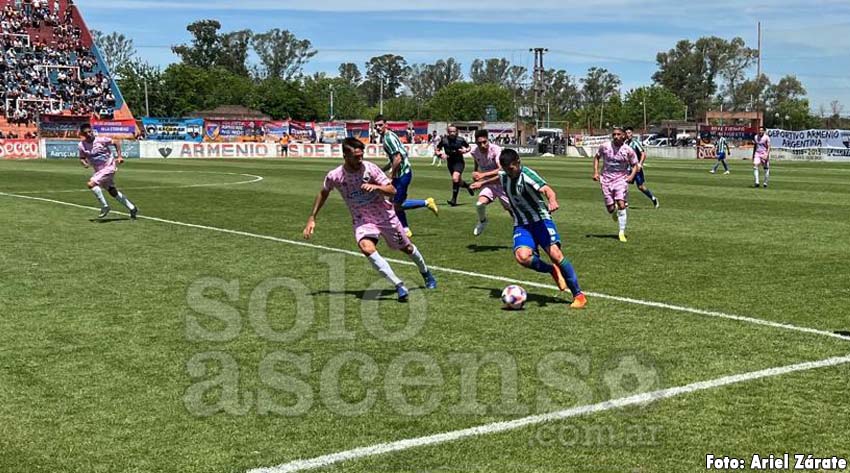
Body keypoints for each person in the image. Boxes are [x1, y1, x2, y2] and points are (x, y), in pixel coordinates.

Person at [303, 138, 437, 301]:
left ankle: (426, 273)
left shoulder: (370, 169)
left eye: (361, 155)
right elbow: (324, 192)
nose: (360, 159)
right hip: (362, 220)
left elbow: (392, 190)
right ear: (345, 155)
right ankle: (399, 285)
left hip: (385, 216)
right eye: (356, 156)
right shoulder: (335, 176)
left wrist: (377, 187)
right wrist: (312, 217)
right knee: (366, 248)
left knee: (407, 249)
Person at [494, 149, 586, 309]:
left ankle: (578, 295)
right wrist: (480, 181)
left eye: (511, 168)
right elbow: (495, 176)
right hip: (521, 224)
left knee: (556, 255)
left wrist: (552, 201)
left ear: (518, 163)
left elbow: (547, 189)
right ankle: (551, 270)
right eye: (506, 169)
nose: (509, 172)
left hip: (541, 220)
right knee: (522, 257)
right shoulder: (504, 176)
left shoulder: (527, 174)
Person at [374, 115, 438, 238]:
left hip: (402, 175)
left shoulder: (388, 138)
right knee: (394, 202)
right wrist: (382, 170)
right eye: (376, 125)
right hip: (401, 174)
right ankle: (405, 229)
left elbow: (397, 158)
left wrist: (391, 176)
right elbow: (394, 158)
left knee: (397, 205)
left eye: (380, 125)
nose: (378, 127)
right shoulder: (388, 136)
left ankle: (426, 203)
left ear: (386, 124)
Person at [78, 123, 138, 220]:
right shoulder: (81, 145)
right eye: (86, 133)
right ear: (82, 134)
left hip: (109, 167)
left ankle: (105, 206)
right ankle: (132, 208)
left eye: (90, 131)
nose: (89, 134)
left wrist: (119, 156)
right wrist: (84, 163)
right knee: (112, 191)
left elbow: (116, 142)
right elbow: (81, 157)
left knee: (91, 184)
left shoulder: (101, 140)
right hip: (99, 170)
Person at [594, 127, 639, 243]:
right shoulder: (605, 146)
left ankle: (621, 232)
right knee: (610, 208)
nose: (616, 136)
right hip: (606, 179)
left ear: (623, 136)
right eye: (614, 134)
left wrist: (631, 176)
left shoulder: (628, 150)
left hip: (621, 179)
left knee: (621, 203)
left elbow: (635, 165)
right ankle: (614, 211)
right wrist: (595, 172)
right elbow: (597, 157)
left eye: (618, 134)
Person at [468, 129, 512, 236]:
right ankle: (483, 221)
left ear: (488, 140)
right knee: (480, 204)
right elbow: (476, 164)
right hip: (489, 184)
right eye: (479, 143)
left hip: (502, 183)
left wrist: (482, 175)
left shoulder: (496, 150)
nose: (482, 145)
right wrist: (475, 173)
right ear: (475, 142)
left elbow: (501, 169)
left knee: (513, 212)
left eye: (485, 142)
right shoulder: (474, 152)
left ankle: (525, 230)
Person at [436, 125, 473, 206]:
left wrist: (465, 150)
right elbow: (437, 149)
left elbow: (469, 147)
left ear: (457, 132)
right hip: (450, 163)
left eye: (454, 131)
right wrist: (440, 154)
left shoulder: (460, 140)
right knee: (458, 182)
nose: (452, 133)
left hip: (459, 162)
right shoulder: (444, 140)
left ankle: (454, 200)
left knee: (455, 178)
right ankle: (468, 186)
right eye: (450, 131)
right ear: (448, 132)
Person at [624, 127, 659, 209]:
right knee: (624, 183)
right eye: (626, 133)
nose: (628, 135)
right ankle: (624, 203)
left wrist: (640, 164)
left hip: (636, 168)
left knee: (640, 187)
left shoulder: (635, 142)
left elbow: (643, 153)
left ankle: (653, 198)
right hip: (628, 168)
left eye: (629, 133)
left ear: (632, 133)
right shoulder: (625, 143)